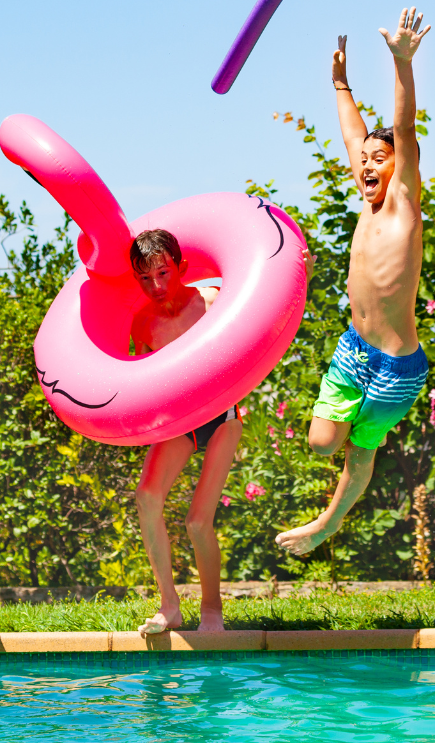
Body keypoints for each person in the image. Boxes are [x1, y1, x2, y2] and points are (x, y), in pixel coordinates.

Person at [276, 8, 432, 557]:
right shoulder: (366, 202)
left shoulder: (402, 207)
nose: (365, 163)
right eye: (362, 159)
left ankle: (326, 523)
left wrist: (401, 63)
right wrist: (341, 84)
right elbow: (351, 133)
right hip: (354, 350)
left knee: (359, 455)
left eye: (378, 158)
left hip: (396, 365)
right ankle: (329, 515)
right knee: (323, 444)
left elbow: (405, 129)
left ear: (400, 169)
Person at [129, 229, 312, 634]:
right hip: (180, 423)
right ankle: (170, 607)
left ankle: (211, 611)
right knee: (146, 497)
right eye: (145, 278)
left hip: (222, 418)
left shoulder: (210, 301)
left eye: (163, 272)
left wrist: (303, 276)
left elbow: (265, 312)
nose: (156, 286)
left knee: (198, 521)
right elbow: (142, 383)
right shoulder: (143, 323)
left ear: (181, 267)